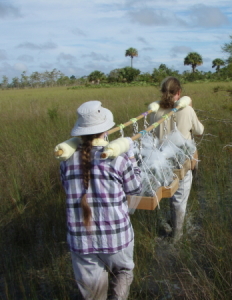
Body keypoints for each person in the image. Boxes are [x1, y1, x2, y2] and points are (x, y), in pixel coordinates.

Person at [59, 101, 142, 300]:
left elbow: (67, 188)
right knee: (123, 272)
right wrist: (132, 156)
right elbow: (136, 188)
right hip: (117, 238)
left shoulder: (66, 161)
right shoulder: (119, 159)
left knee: (93, 296)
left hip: (82, 241)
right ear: (105, 131)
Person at [149, 77, 204, 241]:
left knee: (169, 194)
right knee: (179, 200)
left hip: (161, 163)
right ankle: (177, 237)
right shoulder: (186, 110)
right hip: (181, 164)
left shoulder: (155, 111)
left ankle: (172, 225)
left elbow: (152, 135)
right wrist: (191, 108)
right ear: (179, 92)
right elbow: (200, 130)